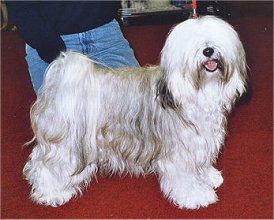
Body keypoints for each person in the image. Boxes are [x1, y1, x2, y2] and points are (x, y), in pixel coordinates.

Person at [6, 1, 139, 94]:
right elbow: (21, 11)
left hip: (104, 33)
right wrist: (55, 53)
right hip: (49, 39)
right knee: (62, 125)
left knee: (135, 109)